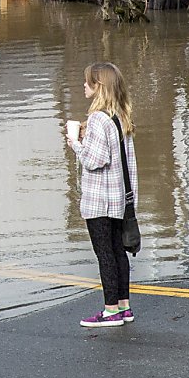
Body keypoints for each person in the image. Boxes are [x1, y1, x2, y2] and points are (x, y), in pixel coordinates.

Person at [64, 61, 138, 329]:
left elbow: (95, 159)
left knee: (104, 253)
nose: (84, 85)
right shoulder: (119, 115)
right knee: (118, 252)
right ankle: (124, 306)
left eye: (88, 82)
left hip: (99, 199)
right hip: (120, 197)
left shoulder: (97, 118)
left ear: (99, 87)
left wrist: (76, 144)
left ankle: (110, 311)